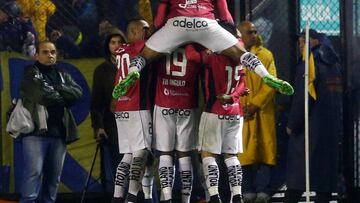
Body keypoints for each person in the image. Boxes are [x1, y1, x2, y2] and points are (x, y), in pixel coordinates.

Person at [112, 0, 294, 100]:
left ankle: (133, 72)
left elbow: (160, 18)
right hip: (205, 24)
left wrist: (156, 33)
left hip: (177, 23)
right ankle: (266, 76)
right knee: (242, 55)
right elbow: (224, 12)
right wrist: (232, 33)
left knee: (144, 56)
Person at [18, 41, 83, 203]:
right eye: (45, 52)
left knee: (54, 178)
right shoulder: (30, 73)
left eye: (53, 52)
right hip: (35, 133)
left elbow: (77, 94)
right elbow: (40, 95)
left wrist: (57, 89)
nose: (50, 55)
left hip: (59, 133)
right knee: (34, 173)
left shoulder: (63, 75)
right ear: (36, 55)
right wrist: (62, 95)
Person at [285, 29, 343, 203]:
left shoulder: (309, 63)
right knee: (324, 177)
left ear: (312, 42)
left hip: (308, 127)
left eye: (302, 41)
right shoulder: (334, 63)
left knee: (298, 174)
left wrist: (292, 124)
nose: (300, 46)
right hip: (330, 127)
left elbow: (303, 97)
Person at [197, 24, 247, 203]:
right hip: (235, 112)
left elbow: (194, 57)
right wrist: (233, 96)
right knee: (231, 156)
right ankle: (237, 195)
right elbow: (243, 84)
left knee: (208, 154)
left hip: (213, 110)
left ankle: (214, 196)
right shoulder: (240, 56)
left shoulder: (212, 56)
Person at [152, 43, 202, 203]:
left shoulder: (164, 42)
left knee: (165, 153)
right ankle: (185, 200)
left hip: (164, 102)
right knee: (184, 154)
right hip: (187, 103)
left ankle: (167, 198)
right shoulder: (194, 46)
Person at [110, 18, 154, 203]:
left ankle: (117, 196)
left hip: (121, 106)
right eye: (145, 29)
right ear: (136, 32)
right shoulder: (142, 47)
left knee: (127, 155)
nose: (149, 33)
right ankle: (132, 197)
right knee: (141, 153)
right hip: (138, 106)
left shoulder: (121, 51)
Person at [236, 21, 277, 203]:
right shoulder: (234, 55)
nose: (253, 35)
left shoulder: (266, 55)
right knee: (244, 152)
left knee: (265, 151)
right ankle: (247, 190)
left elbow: (271, 83)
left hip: (261, 112)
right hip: (242, 113)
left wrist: (255, 104)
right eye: (249, 32)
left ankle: (263, 190)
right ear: (241, 35)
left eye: (254, 31)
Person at [90, 28, 126, 195]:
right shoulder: (102, 70)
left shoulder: (134, 65)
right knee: (118, 167)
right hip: (113, 125)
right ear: (108, 45)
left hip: (135, 123)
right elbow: (97, 102)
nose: (117, 45)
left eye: (120, 42)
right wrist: (98, 126)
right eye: (113, 42)